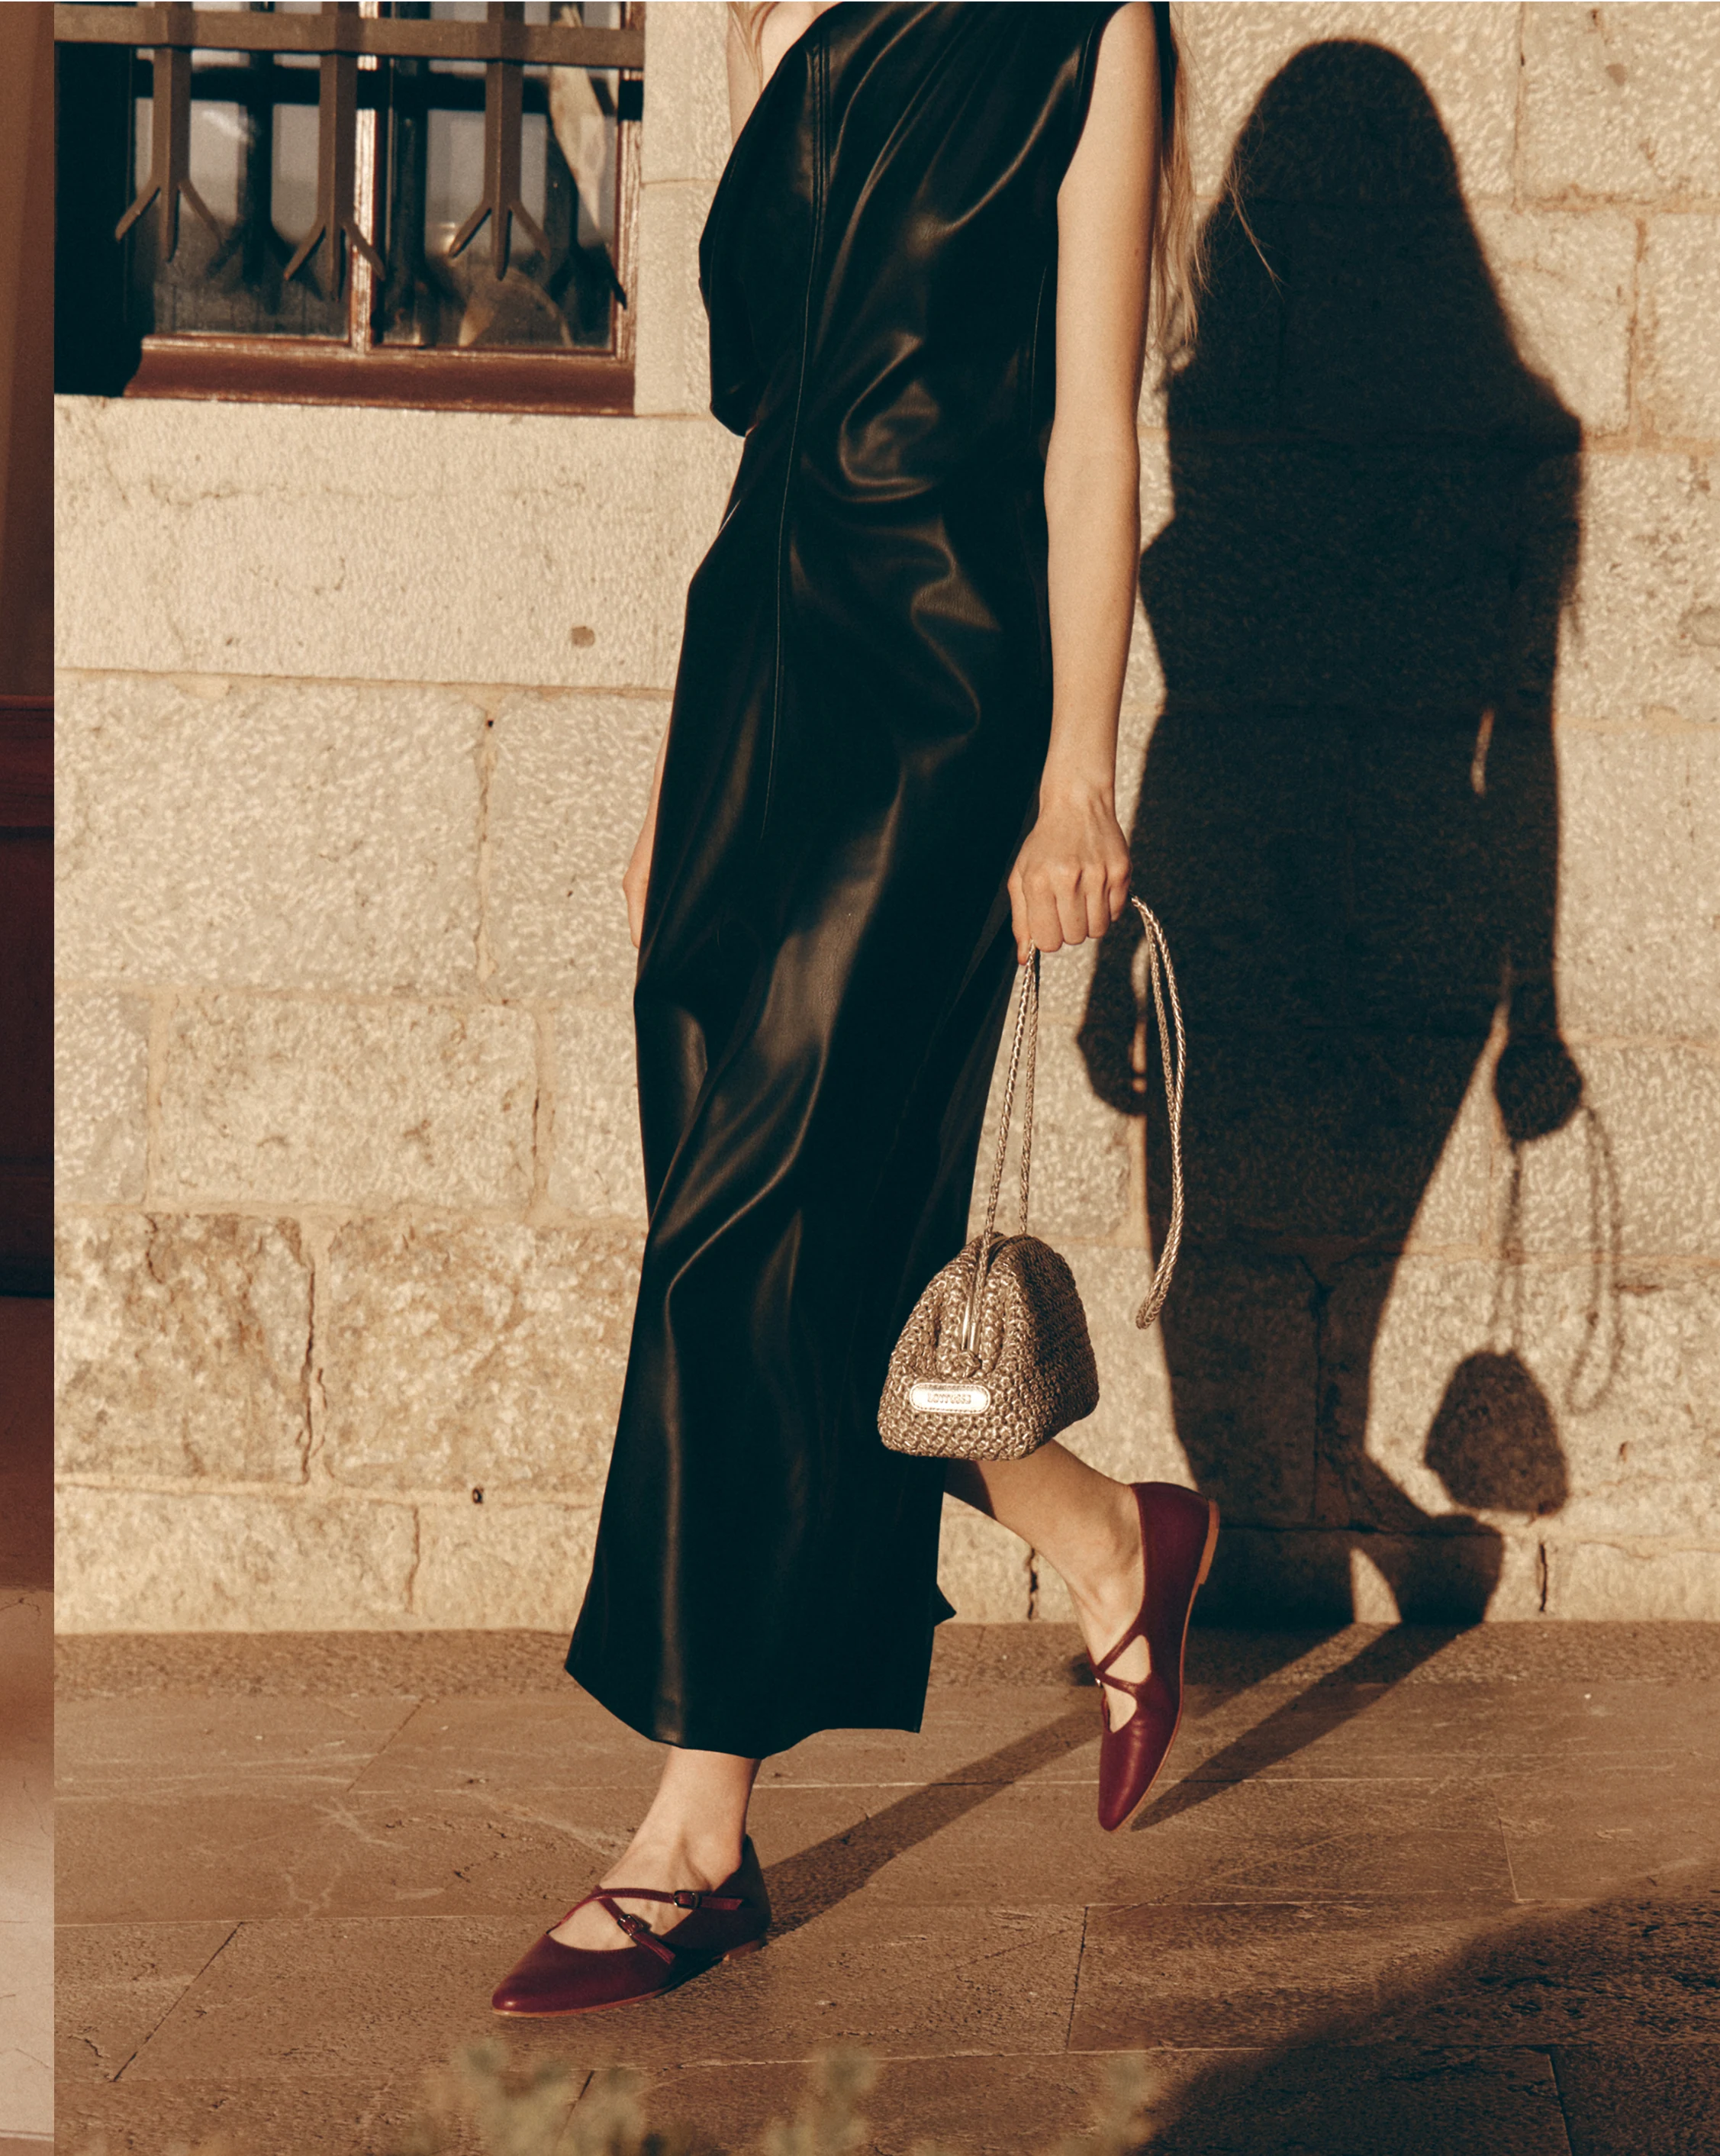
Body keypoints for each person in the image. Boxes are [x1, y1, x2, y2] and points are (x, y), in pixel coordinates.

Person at [492, 0, 1211, 2018]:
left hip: (944, 692)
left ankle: (694, 1830)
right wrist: (673, 770)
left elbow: (1090, 436)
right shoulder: (754, 11)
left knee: (747, 1245)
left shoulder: (1086, 27)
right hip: (756, 667)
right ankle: (1099, 1536)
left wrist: (1080, 774)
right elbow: (767, 435)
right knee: (804, 1245)